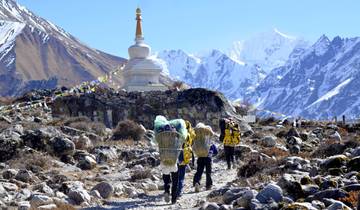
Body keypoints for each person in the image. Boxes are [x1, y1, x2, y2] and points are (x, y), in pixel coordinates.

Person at [193, 123, 218, 192]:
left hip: (200, 156)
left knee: (199, 171)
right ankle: (208, 186)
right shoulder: (209, 142)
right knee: (208, 172)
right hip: (208, 157)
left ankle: (196, 182)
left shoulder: (197, 140)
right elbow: (216, 152)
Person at [177, 120, 195, 197]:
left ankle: (174, 190)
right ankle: (179, 192)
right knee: (181, 175)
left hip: (176, 154)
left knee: (175, 175)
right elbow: (193, 140)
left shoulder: (177, 133)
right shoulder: (189, 134)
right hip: (185, 154)